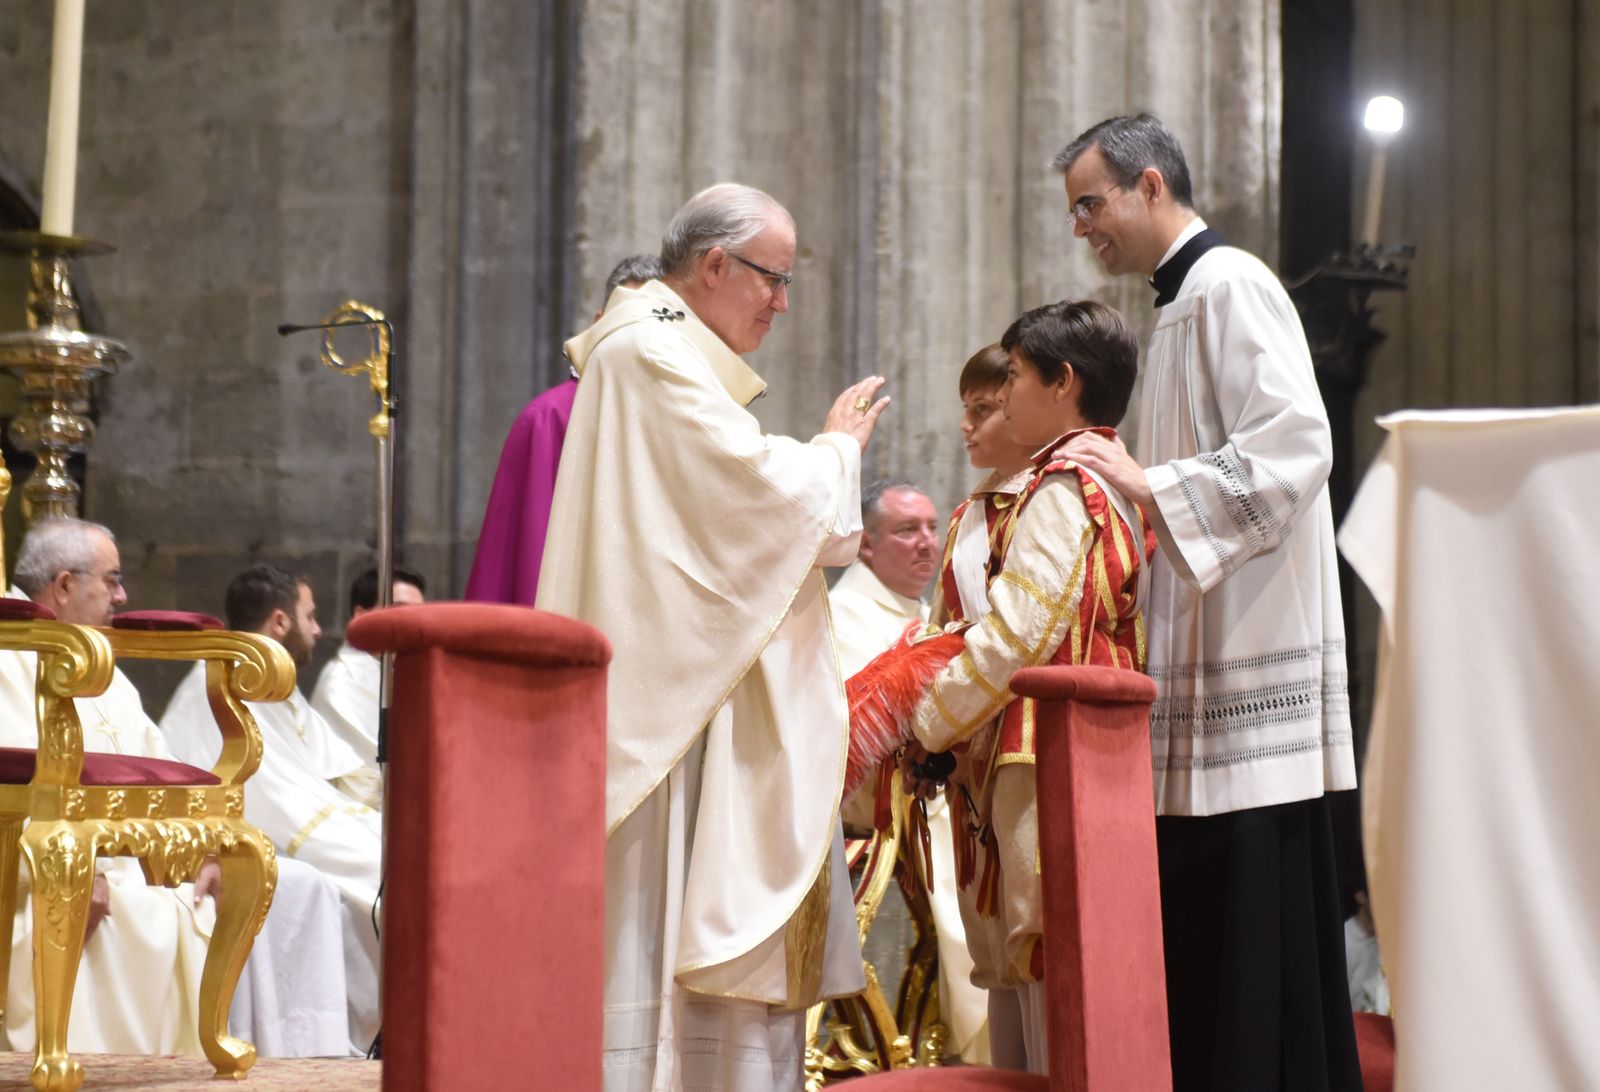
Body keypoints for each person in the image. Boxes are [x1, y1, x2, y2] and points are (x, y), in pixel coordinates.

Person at [537, 182, 889, 1092]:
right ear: (716, 266)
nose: (782, 302)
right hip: (674, 709)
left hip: (686, 685)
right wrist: (836, 449)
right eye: (773, 279)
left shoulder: (657, 348)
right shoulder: (651, 350)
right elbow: (752, 493)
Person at [1052, 113, 1360, 1091]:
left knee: (1251, 917)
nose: (1080, 229)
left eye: (1088, 205)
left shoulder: (1232, 284)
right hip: (1202, 657)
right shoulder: (1180, 303)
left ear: (1151, 187)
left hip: (1248, 655)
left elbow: (1296, 445)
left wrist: (1149, 486)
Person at [894, 301, 1148, 1075]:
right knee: (1021, 962)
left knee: (1049, 963)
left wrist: (926, 722)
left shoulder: (1067, 483)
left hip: (1045, 752)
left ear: (1062, 383)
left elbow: (1018, 635)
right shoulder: (1085, 475)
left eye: (1013, 382)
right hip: (1034, 751)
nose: (1002, 401)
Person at [0, 519, 351, 1058]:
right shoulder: (10, 657)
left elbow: (157, 762)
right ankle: (62, 1058)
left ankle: (181, 1063)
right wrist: (73, 872)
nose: (123, 595)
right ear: (65, 586)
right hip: (37, 877)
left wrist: (204, 845)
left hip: (123, 868)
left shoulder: (95, 661)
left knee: (201, 901)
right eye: (112, 580)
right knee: (132, 918)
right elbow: (20, 780)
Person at [160, 565, 382, 1056]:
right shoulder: (221, 682)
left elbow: (329, 770)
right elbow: (278, 805)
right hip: (251, 842)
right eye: (312, 615)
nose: (320, 630)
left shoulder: (268, 682)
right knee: (383, 874)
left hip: (301, 830)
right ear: (280, 622)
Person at [466, 254, 665, 605]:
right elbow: (529, 562)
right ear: (599, 324)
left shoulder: (687, 419)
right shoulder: (550, 419)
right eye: (627, 324)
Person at [310, 565, 427, 772]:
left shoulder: (406, 672)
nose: (414, 622)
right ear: (362, 617)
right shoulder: (340, 686)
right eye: (401, 609)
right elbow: (382, 770)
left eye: (419, 612)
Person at [828, 480, 936, 673]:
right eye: (908, 529)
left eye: (932, 527)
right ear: (867, 545)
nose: (927, 543)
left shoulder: (930, 615)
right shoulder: (842, 614)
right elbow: (865, 701)